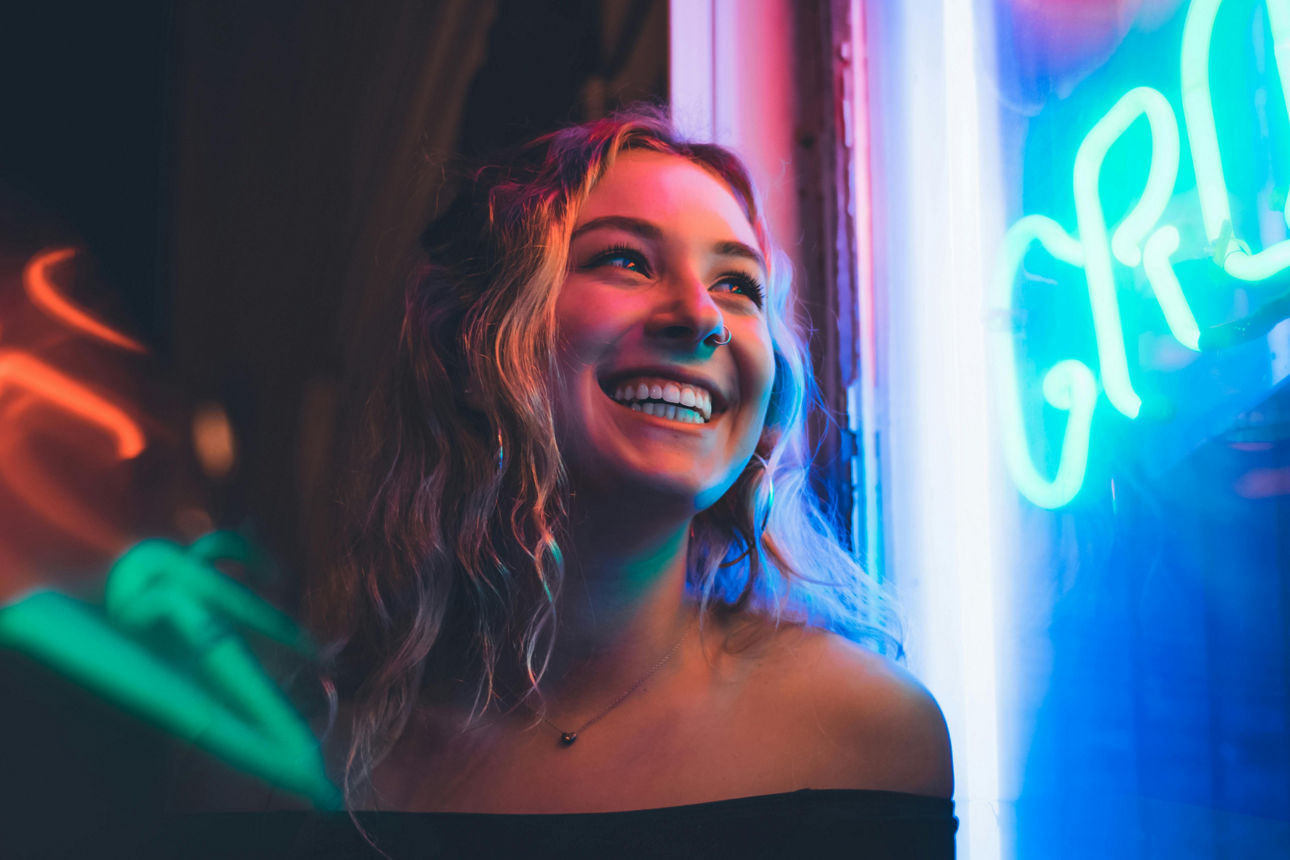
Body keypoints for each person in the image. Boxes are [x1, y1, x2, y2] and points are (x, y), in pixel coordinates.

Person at [155, 104, 956, 858]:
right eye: (624, 261)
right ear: (475, 342)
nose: (701, 317)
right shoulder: (279, 762)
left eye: (737, 285)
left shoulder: (866, 735)